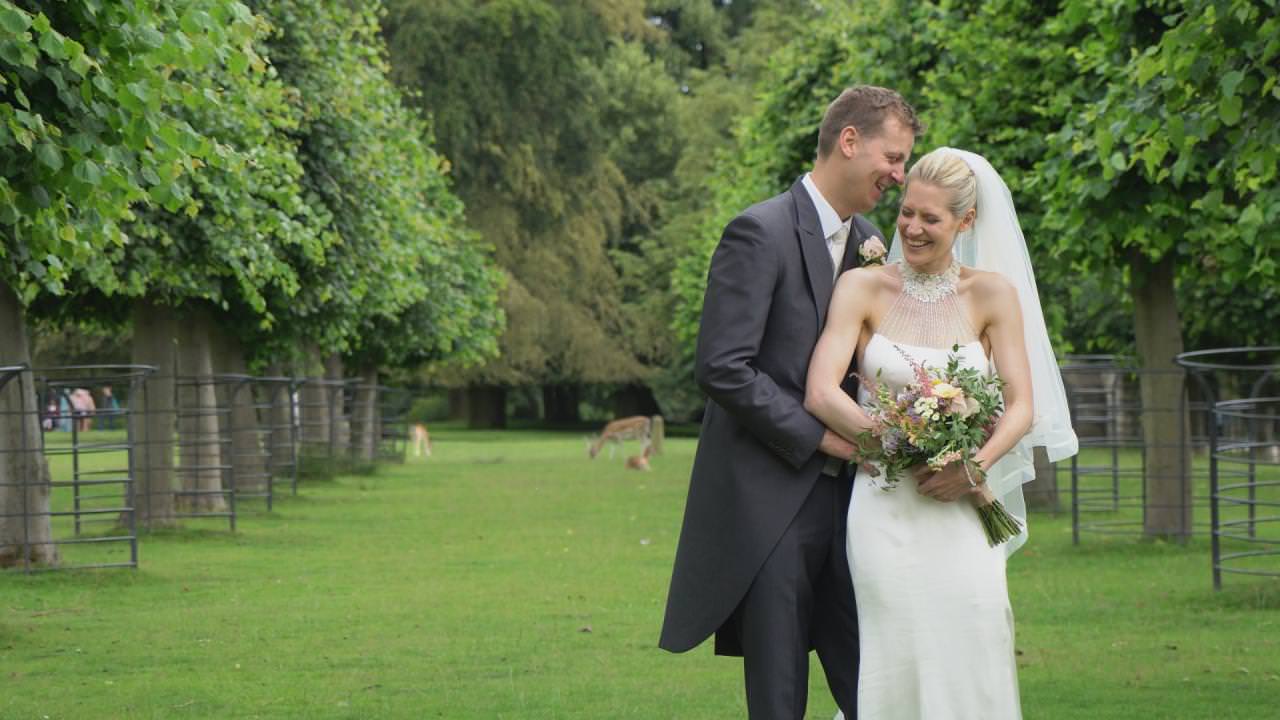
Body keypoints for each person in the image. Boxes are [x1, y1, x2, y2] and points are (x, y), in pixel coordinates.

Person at [660, 85, 921, 719]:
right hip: (771, 503)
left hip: (856, 505)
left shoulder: (872, 239)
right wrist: (824, 439)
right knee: (779, 696)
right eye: (892, 157)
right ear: (849, 141)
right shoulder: (759, 230)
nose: (900, 174)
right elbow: (723, 368)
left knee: (873, 680)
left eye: (905, 161)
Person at [805, 148, 1078, 719]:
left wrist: (972, 465)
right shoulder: (862, 286)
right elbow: (823, 392)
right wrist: (893, 442)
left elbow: (1022, 404)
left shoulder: (993, 295)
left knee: (978, 626)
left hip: (964, 504)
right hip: (885, 507)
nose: (912, 228)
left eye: (930, 218)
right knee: (894, 653)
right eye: (907, 213)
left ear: (965, 222)